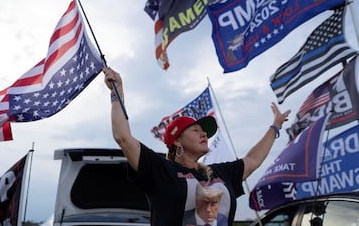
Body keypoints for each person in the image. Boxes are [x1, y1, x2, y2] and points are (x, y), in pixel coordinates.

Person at [103, 67, 291, 226]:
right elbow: (123, 137)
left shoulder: (219, 173)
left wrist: (275, 127)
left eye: (204, 131)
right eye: (195, 130)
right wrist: (116, 92)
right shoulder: (162, 170)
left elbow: (253, 160)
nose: (203, 134)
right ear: (177, 141)